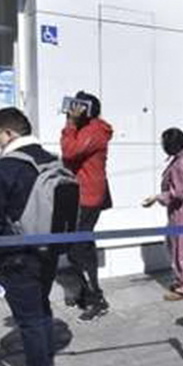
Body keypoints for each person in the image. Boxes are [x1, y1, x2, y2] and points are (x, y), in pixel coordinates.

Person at [0, 107, 72, 366]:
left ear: (9, 133)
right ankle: (46, 364)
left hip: (16, 257)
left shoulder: (2, 170)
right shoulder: (50, 160)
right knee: (41, 310)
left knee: (28, 319)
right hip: (48, 253)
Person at [60, 91, 113, 319]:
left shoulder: (96, 132)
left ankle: (96, 298)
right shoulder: (85, 130)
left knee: (77, 249)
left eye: (77, 107)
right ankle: (87, 291)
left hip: (88, 197)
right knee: (80, 247)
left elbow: (69, 151)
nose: (72, 110)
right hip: (80, 195)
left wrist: (70, 123)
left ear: (87, 109)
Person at [143, 128, 183, 301]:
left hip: (182, 208)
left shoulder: (181, 163)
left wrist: (157, 197)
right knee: (174, 244)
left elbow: (179, 193)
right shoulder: (182, 156)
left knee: (180, 249)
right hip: (180, 208)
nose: (162, 145)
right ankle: (181, 280)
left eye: (163, 142)